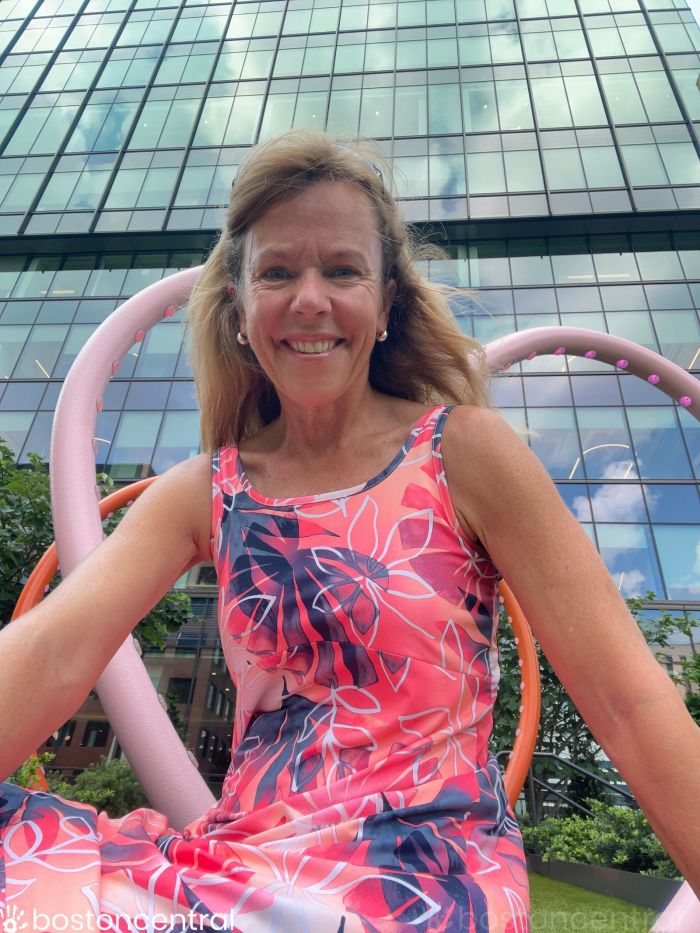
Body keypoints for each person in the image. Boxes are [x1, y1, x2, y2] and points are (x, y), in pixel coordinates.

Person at [0, 129, 698, 933]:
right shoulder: (205, 490)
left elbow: (626, 701)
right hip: (240, 871)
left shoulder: (465, 452)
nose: (310, 299)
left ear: (386, 302)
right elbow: (55, 651)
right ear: (239, 306)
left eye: (341, 270)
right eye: (277, 272)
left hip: (423, 883)